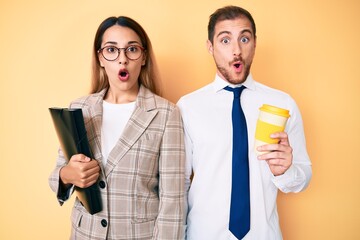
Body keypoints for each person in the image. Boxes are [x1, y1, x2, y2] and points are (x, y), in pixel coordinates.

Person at [177, 6, 312, 240]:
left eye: (244, 38)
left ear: (255, 43)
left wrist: (286, 171)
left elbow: (302, 177)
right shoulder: (187, 107)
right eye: (225, 40)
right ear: (210, 47)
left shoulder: (283, 104)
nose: (236, 50)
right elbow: (178, 184)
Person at [49, 16, 185, 239]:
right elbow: (57, 174)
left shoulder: (167, 114)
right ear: (100, 58)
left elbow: (173, 200)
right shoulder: (79, 108)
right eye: (112, 50)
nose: (122, 59)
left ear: (143, 57)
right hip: (85, 233)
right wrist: (67, 175)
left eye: (131, 49)